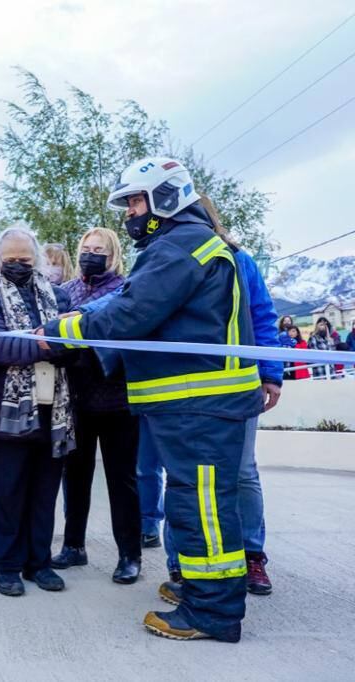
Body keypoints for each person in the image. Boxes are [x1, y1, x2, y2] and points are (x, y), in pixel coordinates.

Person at [42, 157, 264, 643]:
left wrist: (61, 330)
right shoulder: (185, 243)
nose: (130, 213)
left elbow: (130, 313)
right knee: (195, 500)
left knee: (203, 504)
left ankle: (213, 612)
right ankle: (201, 589)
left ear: (166, 197)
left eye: (137, 201)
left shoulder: (180, 246)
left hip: (200, 406)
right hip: (194, 407)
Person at [154, 195, 281, 598]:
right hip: (184, 392)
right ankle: (181, 561)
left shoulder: (238, 262)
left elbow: (261, 316)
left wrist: (271, 375)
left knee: (242, 472)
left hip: (236, 389)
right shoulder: (167, 261)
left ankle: (251, 555)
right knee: (183, 478)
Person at [0, 226, 75, 598]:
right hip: (8, 413)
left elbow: (75, 347)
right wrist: (50, 341)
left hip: (55, 412)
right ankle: (8, 566)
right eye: (10, 260)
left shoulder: (60, 295)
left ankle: (39, 563)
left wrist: (40, 341)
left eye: (25, 260)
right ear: (0, 259)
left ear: (37, 260)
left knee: (44, 493)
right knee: (8, 491)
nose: (17, 265)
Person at [52, 227, 142, 584]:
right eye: (86, 248)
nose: (91, 254)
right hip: (77, 398)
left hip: (118, 399)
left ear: (113, 254)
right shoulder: (68, 291)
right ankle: (74, 545)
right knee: (74, 476)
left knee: (123, 480)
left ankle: (129, 555)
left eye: (99, 249)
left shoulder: (126, 290)